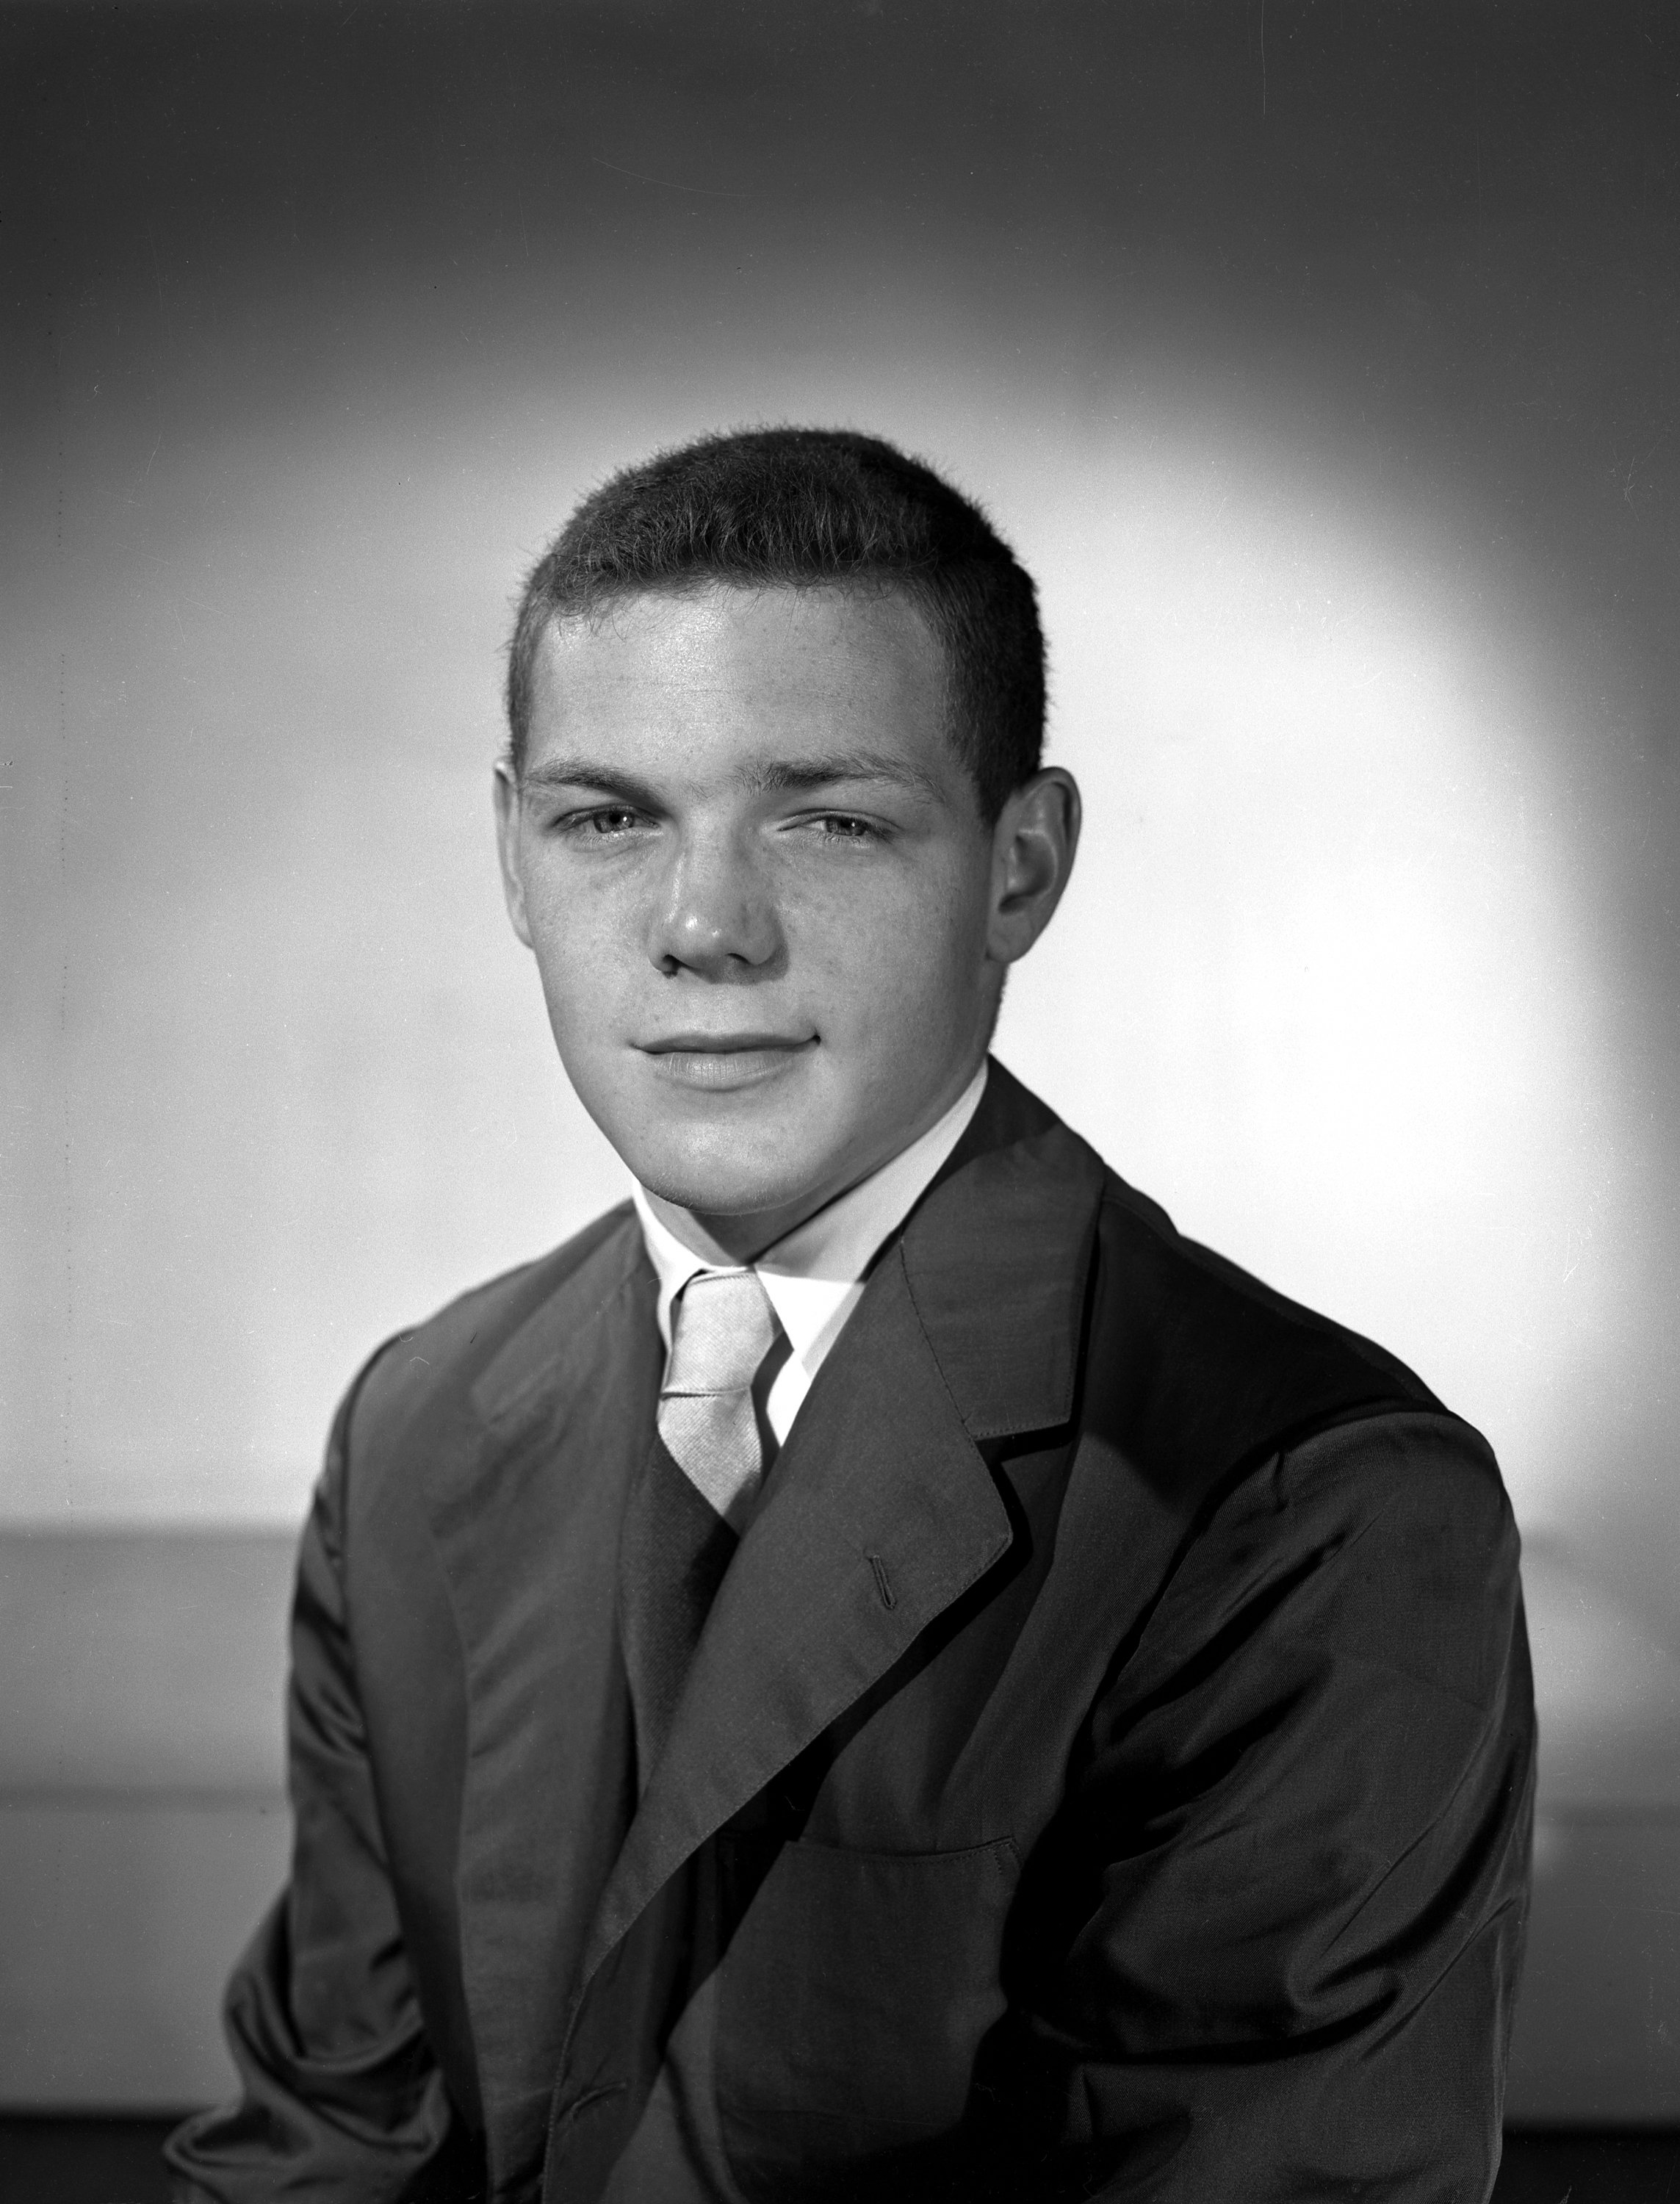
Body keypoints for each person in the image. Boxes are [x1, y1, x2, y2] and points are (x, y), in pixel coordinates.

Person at [166, 428, 1535, 2204]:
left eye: (826, 818)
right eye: (607, 818)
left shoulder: (1307, 1501)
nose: (702, 926)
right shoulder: (418, 1422)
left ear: (1019, 867)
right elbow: (330, 2155)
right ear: (511, 862)